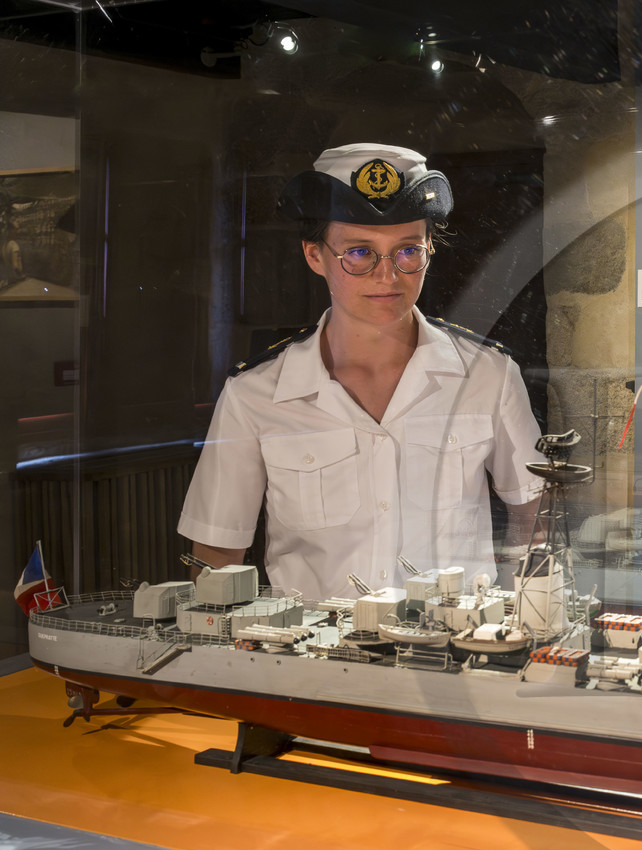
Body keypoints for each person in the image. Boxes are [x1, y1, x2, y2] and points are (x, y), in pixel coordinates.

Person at [178, 143, 545, 602]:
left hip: (454, 652)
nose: (387, 276)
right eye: (358, 253)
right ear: (315, 256)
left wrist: (521, 616)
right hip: (310, 661)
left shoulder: (487, 376)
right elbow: (216, 553)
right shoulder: (256, 394)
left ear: (430, 249)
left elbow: (535, 513)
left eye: (408, 251)